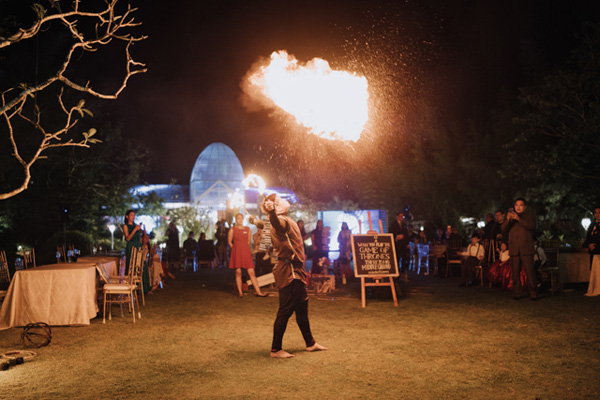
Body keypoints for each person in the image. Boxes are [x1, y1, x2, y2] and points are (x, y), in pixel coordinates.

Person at [263, 194, 327, 358]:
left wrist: (259, 219)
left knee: (302, 307)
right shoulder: (280, 220)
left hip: (296, 270)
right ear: (277, 208)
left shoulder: (284, 218)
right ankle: (276, 349)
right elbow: (276, 224)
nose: (282, 200)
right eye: (278, 201)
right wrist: (271, 213)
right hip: (288, 271)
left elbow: (268, 224)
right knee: (285, 310)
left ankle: (310, 343)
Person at [501, 198, 537, 300]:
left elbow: (531, 227)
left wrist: (519, 219)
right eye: (516, 205)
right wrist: (507, 220)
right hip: (514, 248)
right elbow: (503, 229)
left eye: (521, 205)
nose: (518, 207)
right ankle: (518, 292)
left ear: (525, 207)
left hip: (526, 248)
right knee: (515, 273)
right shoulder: (511, 219)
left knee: (529, 272)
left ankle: (533, 292)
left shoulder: (529, 216)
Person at [228, 213, 267, 298]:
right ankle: (240, 292)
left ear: (243, 219)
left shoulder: (247, 229)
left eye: (241, 218)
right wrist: (235, 249)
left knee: (251, 272)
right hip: (237, 252)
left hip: (246, 252)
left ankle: (258, 292)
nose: (240, 220)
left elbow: (248, 241)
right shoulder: (232, 230)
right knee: (238, 272)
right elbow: (230, 242)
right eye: (238, 218)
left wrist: (244, 248)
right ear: (236, 219)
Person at [389, 211, 410, 282]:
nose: (401, 218)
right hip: (397, 245)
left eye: (402, 216)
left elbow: (406, 234)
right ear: (397, 217)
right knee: (397, 259)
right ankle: (397, 274)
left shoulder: (404, 225)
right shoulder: (393, 225)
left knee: (404, 259)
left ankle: (403, 273)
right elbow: (391, 233)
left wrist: (407, 242)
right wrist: (396, 237)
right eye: (400, 216)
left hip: (403, 244)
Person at [123, 209, 143, 276]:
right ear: (127, 216)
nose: (133, 217)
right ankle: (129, 279)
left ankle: (139, 280)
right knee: (130, 264)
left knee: (140, 265)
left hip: (138, 246)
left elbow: (140, 237)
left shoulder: (136, 225)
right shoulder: (125, 226)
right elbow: (128, 238)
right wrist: (135, 230)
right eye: (131, 215)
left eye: (134, 215)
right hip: (131, 246)